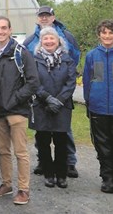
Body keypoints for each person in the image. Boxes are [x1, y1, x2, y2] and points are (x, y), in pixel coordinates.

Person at [24, 5, 81, 178]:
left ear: (53, 17)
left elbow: (75, 58)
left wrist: (60, 99)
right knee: (42, 135)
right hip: (41, 99)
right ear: (37, 18)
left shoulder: (67, 36)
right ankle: (44, 163)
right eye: (41, 15)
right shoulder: (29, 41)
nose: (44, 18)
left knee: (63, 134)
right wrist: (45, 97)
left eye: (47, 15)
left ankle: (68, 163)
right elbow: (28, 69)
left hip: (62, 98)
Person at [0, 16, 39, 205]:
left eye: (3, 28)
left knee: (20, 152)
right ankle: (6, 184)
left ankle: (23, 189)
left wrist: (15, 99)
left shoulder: (21, 53)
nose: (0, 32)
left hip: (17, 111)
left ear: (10, 30)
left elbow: (33, 82)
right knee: (3, 151)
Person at [83, 19, 113, 197]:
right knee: (102, 146)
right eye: (104, 32)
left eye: (111, 33)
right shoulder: (91, 56)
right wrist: (89, 103)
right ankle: (107, 179)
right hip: (98, 108)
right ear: (99, 35)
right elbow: (87, 82)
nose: (107, 36)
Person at [28, 27, 76, 189]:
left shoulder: (67, 59)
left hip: (62, 107)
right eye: (45, 39)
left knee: (61, 142)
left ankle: (61, 175)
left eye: (52, 38)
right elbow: (33, 82)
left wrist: (59, 101)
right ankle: (48, 173)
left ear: (58, 40)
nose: (49, 41)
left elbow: (70, 83)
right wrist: (47, 98)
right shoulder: (34, 60)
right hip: (42, 106)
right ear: (41, 42)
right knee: (43, 142)